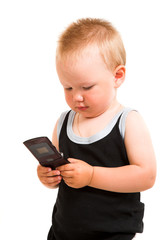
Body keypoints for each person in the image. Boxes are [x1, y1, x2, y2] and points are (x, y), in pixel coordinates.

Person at [37, 18, 156, 240]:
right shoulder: (64, 122)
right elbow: (58, 169)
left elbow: (146, 176)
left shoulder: (127, 121)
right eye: (68, 87)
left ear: (117, 76)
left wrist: (91, 175)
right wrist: (48, 176)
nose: (76, 97)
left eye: (87, 87)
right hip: (63, 232)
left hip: (112, 233)